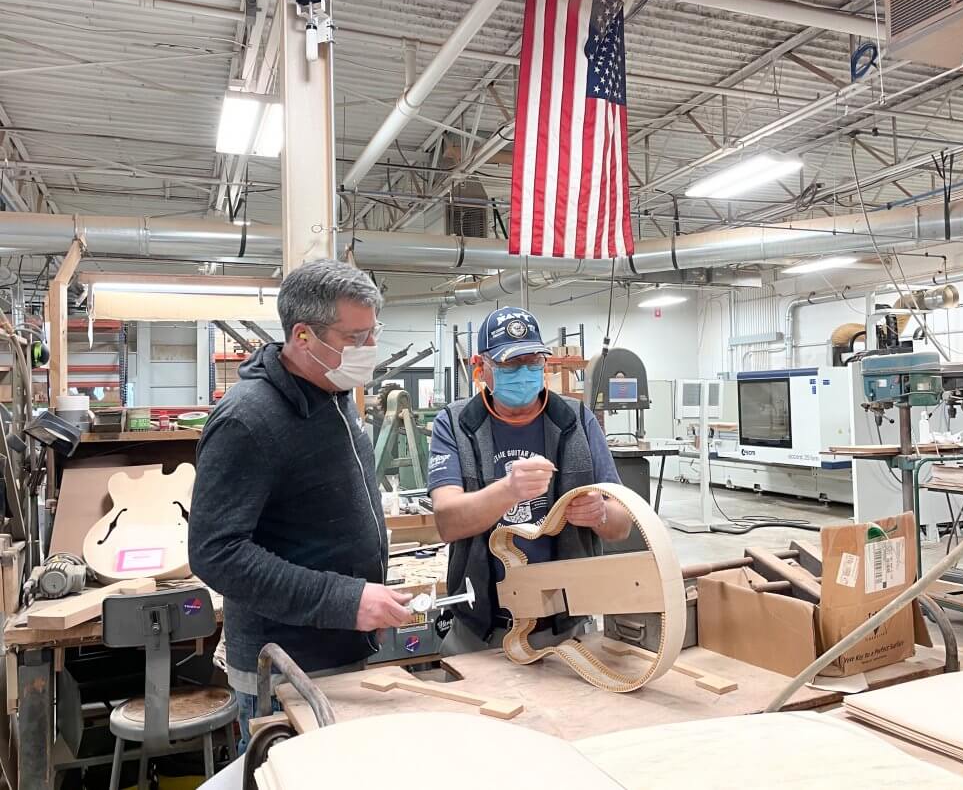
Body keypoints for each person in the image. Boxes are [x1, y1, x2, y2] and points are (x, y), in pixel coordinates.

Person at [189, 259, 412, 751]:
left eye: (373, 334)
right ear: (304, 337)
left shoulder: (332, 393)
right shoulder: (248, 420)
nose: (369, 350)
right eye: (355, 338)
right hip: (288, 670)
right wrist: (345, 599)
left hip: (340, 650)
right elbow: (216, 553)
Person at [428, 306, 631, 655]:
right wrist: (508, 491)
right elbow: (447, 522)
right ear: (481, 367)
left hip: (565, 626)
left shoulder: (578, 422)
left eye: (533, 362)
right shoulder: (455, 425)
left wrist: (600, 515)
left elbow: (622, 525)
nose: (523, 374)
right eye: (509, 365)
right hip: (480, 628)